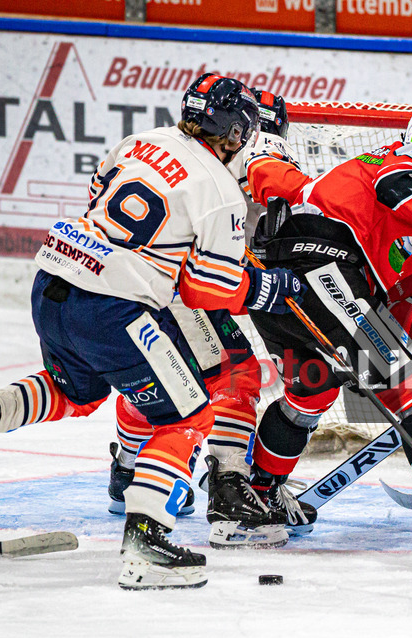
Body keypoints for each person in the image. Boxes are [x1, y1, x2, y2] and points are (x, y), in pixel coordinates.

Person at [0, 73, 302, 589]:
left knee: (78, 390)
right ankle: (146, 544)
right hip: (113, 307)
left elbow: (99, 199)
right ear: (236, 131)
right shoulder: (218, 190)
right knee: (187, 413)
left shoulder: (140, 141)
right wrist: (265, 289)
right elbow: (206, 289)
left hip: (53, 282)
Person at [240, 102, 412, 570]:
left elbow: (386, 299)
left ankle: (255, 504)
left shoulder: (405, 214)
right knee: (410, 387)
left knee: (309, 393)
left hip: (285, 291)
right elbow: (397, 183)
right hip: (323, 272)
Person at [105, 90, 304, 549]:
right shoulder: (257, 150)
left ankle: (127, 471)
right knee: (236, 374)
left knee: (156, 385)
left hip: (128, 280)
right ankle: (230, 495)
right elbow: (275, 185)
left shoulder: (159, 143)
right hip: (184, 287)